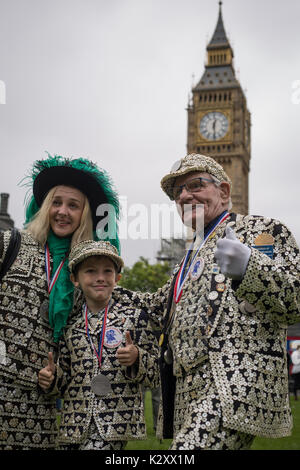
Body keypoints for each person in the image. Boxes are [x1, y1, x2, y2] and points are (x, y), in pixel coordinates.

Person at [115, 153, 300, 450]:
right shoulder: (184, 263)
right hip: (188, 393)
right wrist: (101, 285)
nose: (185, 195)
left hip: (235, 383)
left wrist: (250, 267)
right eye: (178, 192)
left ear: (224, 191)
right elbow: (152, 307)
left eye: (196, 185)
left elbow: (295, 298)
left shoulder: (262, 230)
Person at [0, 154, 120, 450]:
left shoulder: (89, 272)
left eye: (73, 205)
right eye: (56, 202)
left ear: (85, 214)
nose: (62, 212)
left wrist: (56, 379)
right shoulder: (9, 244)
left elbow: (81, 351)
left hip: (39, 412)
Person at [38, 240, 159, 450]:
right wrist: (53, 378)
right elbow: (65, 380)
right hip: (73, 425)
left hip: (113, 423)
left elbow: (157, 373)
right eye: (91, 271)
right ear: (75, 279)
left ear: (117, 277)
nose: (100, 278)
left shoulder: (135, 318)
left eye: (107, 271)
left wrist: (137, 358)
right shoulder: (70, 325)